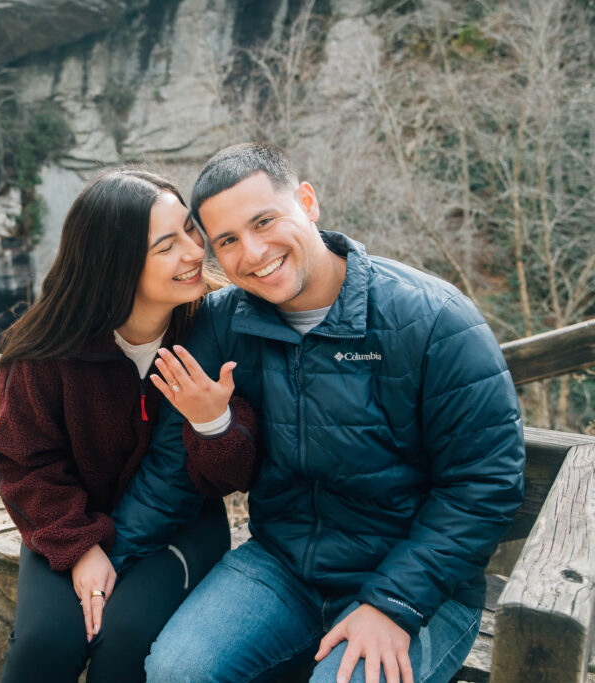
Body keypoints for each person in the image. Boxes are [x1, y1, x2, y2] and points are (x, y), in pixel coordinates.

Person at [109, 143, 525, 683]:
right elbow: (172, 466)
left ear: (307, 201)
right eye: (228, 241)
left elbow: (483, 482)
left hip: (419, 583)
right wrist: (106, 555)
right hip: (282, 565)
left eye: (265, 221)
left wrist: (394, 603)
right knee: (175, 669)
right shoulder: (222, 322)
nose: (254, 252)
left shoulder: (432, 319)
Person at [0, 169, 254, 682]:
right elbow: (21, 462)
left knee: (125, 641)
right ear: (118, 264)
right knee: (44, 645)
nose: (196, 252)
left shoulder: (216, 330)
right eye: (167, 245)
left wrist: (213, 421)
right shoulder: (49, 349)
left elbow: (239, 469)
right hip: (66, 519)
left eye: (190, 231)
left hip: (180, 522)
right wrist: (81, 546)